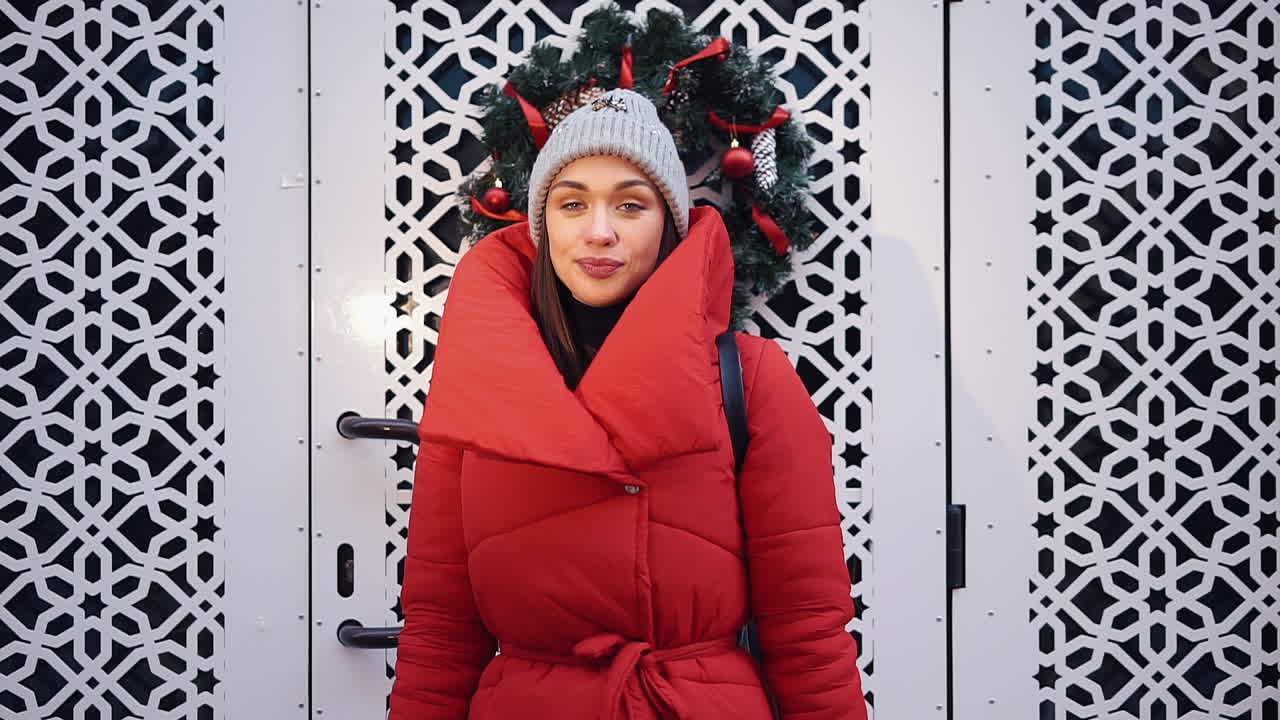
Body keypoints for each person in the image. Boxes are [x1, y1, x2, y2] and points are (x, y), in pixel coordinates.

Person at [389, 89, 866, 720]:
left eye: (631, 205)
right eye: (572, 203)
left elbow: (807, 630)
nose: (599, 231)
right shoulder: (478, 380)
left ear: (668, 227)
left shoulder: (749, 379)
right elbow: (441, 633)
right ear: (542, 223)